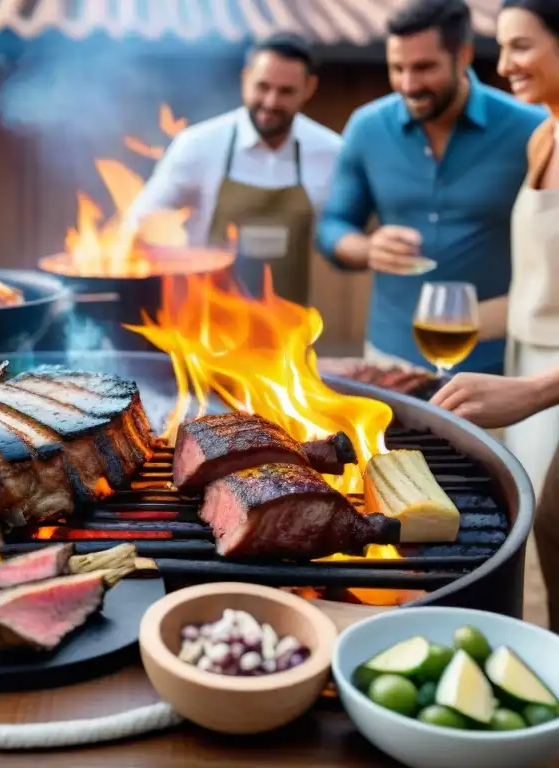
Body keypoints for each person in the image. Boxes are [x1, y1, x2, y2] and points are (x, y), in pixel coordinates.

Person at [315, 0, 546, 375]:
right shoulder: (366, 127)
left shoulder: (531, 128)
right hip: (390, 361)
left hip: (496, 364)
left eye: (424, 68)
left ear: (464, 55)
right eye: (397, 68)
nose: (409, 84)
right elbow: (332, 226)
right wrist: (367, 248)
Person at [432, 0, 559, 631]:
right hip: (527, 371)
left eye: (522, 47)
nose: (503, 65)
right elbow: (543, 290)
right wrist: (456, 324)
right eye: (501, 47)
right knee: (548, 545)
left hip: (547, 386)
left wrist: (535, 392)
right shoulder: (545, 134)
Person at [126, 33, 342, 306]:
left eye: (286, 91)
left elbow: (339, 232)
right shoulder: (197, 145)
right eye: (262, 87)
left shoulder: (332, 152)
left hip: (288, 332)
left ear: (309, 88)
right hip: (206, 328)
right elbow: (139, 222)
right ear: (245, 79)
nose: (271, 102)